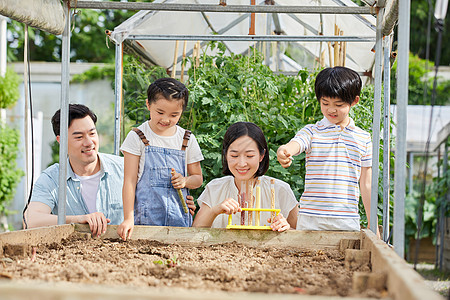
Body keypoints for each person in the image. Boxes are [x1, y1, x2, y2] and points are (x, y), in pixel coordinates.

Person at [277, 66, 377, 233]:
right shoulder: (312, 131)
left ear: (354, 101)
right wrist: (284, 151)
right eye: (325, 103)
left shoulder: (363, 138)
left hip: (346, 220)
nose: (331, 109)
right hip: (311, 219)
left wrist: (372, 222)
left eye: (338, 104)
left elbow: (366, 183)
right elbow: (296, 143)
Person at [117, 77, 204, 241]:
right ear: (148, 105)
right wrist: (128, 218)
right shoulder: (137, 137)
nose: (165, 119)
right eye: (160, 112)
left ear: (182, 112)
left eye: (174, 115)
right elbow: (129, 181)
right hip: (145, 222)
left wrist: (185, 181)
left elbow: (198, 179)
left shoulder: (187, 139)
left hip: (179, 221)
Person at [26, 104, 124, 237]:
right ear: (61, 141)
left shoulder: (123, 168)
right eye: (79, 137)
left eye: (92, 133)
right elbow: (31, 219)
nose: (89, 142)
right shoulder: (51, 179)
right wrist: (77, 220)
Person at [193, 122, 298, 231]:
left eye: (249, 156)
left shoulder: (280, 189)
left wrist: (286, 228)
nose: (242, 163)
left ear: (261, 155)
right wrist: (215, 211)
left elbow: (302, 234)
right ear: (226, 155)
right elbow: (194, 232)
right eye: (234, 155)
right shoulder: (215, 188)